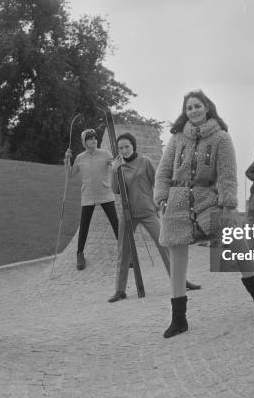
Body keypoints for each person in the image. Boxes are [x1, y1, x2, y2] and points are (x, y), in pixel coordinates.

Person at [154, 90, 254, 338]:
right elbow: (163, 173)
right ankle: (179, 319)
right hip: (176, 203)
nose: (193, 111)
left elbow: (227, 174)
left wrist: (228, 204)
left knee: (236, 241)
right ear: (185, 112)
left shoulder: (221, 138)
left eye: (197, 106)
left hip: (209, 201)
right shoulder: (176, 139)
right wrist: (161, 198)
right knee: (177, 261)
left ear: (207, 108)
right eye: (189, 108)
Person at [108, 133, 200, 302]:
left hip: (148, 211)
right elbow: (115, 190)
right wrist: (114, 170)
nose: (124, 150)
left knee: (165, 245)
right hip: (127, 214)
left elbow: (158, 183)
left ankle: (181, 281)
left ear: (133, 146)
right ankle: (120, 290)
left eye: (127, 146)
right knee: (123, 251)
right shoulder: (118, 167)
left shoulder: (145, 162)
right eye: (121, 148)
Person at [64, 129, 119, 270]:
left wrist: (115, 163)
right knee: (84, 226)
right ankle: (80, 254)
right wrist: (67, 160)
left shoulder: (105, 154)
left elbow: (113, 165)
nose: (94, 140)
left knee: (115, 223)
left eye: (95, 137)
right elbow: (70, 175)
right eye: (90, 138)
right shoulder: (80, 157)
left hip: (105, 194)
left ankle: (126, 253)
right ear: (84, 142)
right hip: (87, 196)